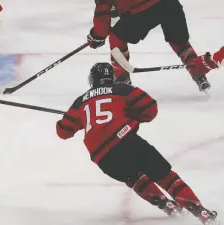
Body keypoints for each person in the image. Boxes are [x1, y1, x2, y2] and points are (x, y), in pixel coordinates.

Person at [56, 63, 218, 224]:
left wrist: (78, 120)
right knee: (164, 175)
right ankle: (200, 212)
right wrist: (130, 115)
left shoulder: (79, 103)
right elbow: (150, 108)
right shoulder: (122, 90)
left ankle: (165, 204)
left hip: (102, 157)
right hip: (126, 140)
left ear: (92, 80)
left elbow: (63, 132)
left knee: (133, 177)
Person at [84, 0, 210, 93]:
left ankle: (122, 80)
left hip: (142, 11)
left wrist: (95, 36)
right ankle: (198, 73)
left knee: (116, 38)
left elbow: (102, 25)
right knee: (179, 41)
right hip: (168, 0)